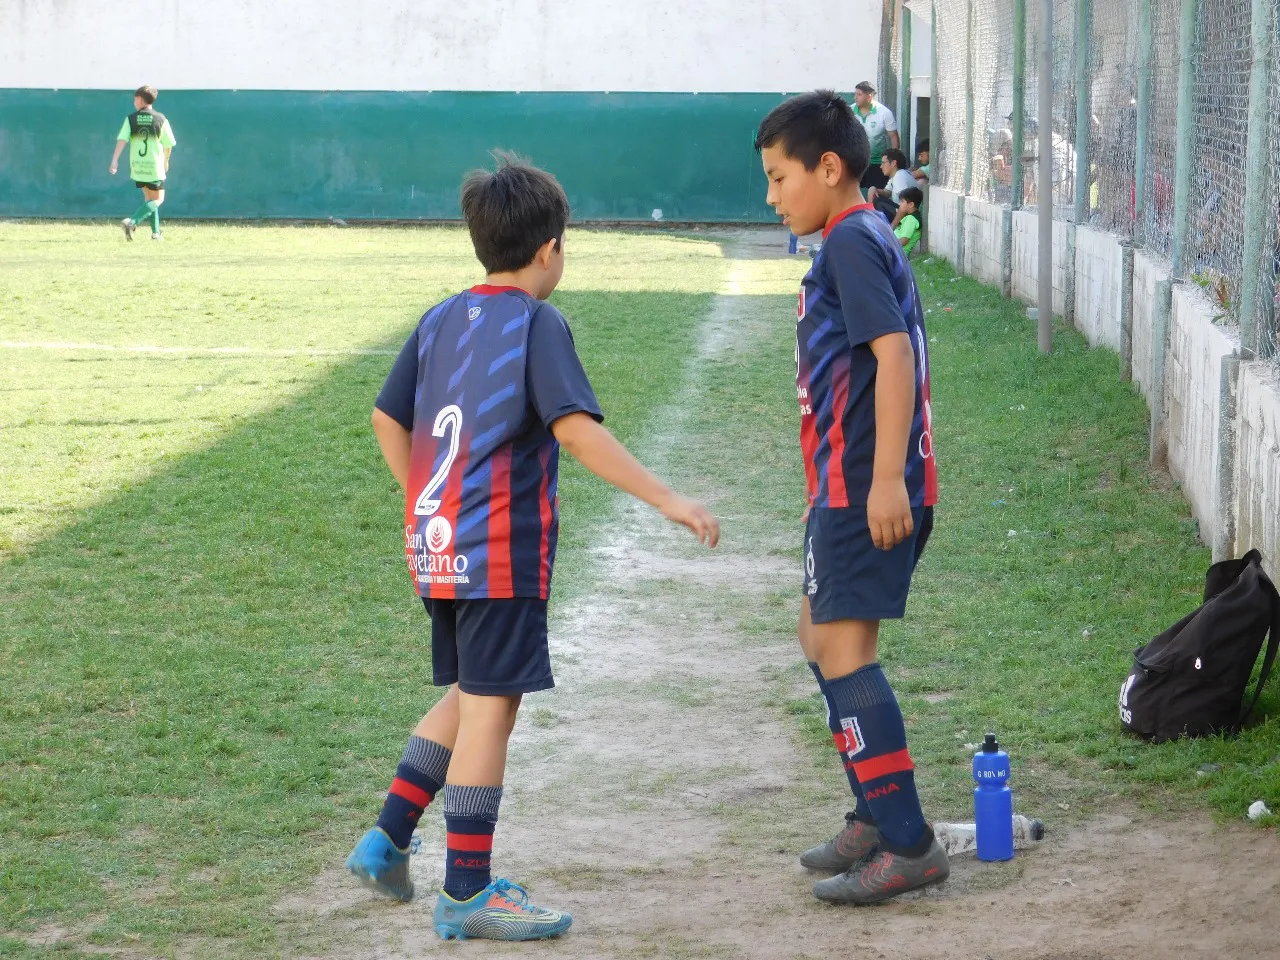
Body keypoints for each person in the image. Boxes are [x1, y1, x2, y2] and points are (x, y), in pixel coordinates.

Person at [346, 154, 720, 942]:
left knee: (466, 695)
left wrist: (424, 499)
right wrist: (669, 499)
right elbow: (576, 431)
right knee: (492, 712)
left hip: (438, 544)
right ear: (550, 248)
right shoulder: (537, 323)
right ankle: (469, 891)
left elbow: (387, 418)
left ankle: (387, 837)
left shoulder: (440, 316)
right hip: (500, 549)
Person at [754, 91, 945, 905]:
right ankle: (874, 812)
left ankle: (907, 844)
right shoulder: (847, 237)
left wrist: (885, 480)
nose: (772, 197)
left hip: (865, 488)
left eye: (779, 177)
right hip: (839, 488)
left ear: (828, 168)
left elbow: (893, 355)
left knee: (843, 650)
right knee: (817, 633)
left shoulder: (852, 242)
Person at [109, 86, 176, 241]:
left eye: (134, 99)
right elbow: (168, 144)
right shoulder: (161, 119)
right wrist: (166, 161)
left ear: (140, 100)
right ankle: (132, 222)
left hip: (137, 165)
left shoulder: (131, 119)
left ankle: (156, 233)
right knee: (159, 199)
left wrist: (115, 159)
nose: (134, 102)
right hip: (154, 165)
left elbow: (122, 139)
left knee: (150, 198)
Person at [852, 81, 900, 193]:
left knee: (875, 194)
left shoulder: (884, 113)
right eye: (855, 94)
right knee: (850, 193)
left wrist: (893, 161)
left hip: (877, 163)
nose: (855, 97)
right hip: (856, 161)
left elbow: (894, 137)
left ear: (869, 97)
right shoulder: (849, 112)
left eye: (859, 94)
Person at [867, 149, 917, 220]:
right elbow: (887, 192)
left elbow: (906, 205)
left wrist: (892, 227)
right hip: (904, 212)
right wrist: (873, 189)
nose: (881, 166)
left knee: (879, 202)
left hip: (911, 217)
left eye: (883, 163)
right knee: (877, 198)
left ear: (893, 163)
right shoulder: (895, 176)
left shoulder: (900, 176)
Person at [891, 187, 924, 257]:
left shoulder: (911, 219)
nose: (900, 204)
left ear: (911, 205)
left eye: (902, 201)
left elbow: (904, 241)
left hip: (898, 253)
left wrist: (888, 245)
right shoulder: (910, 217)